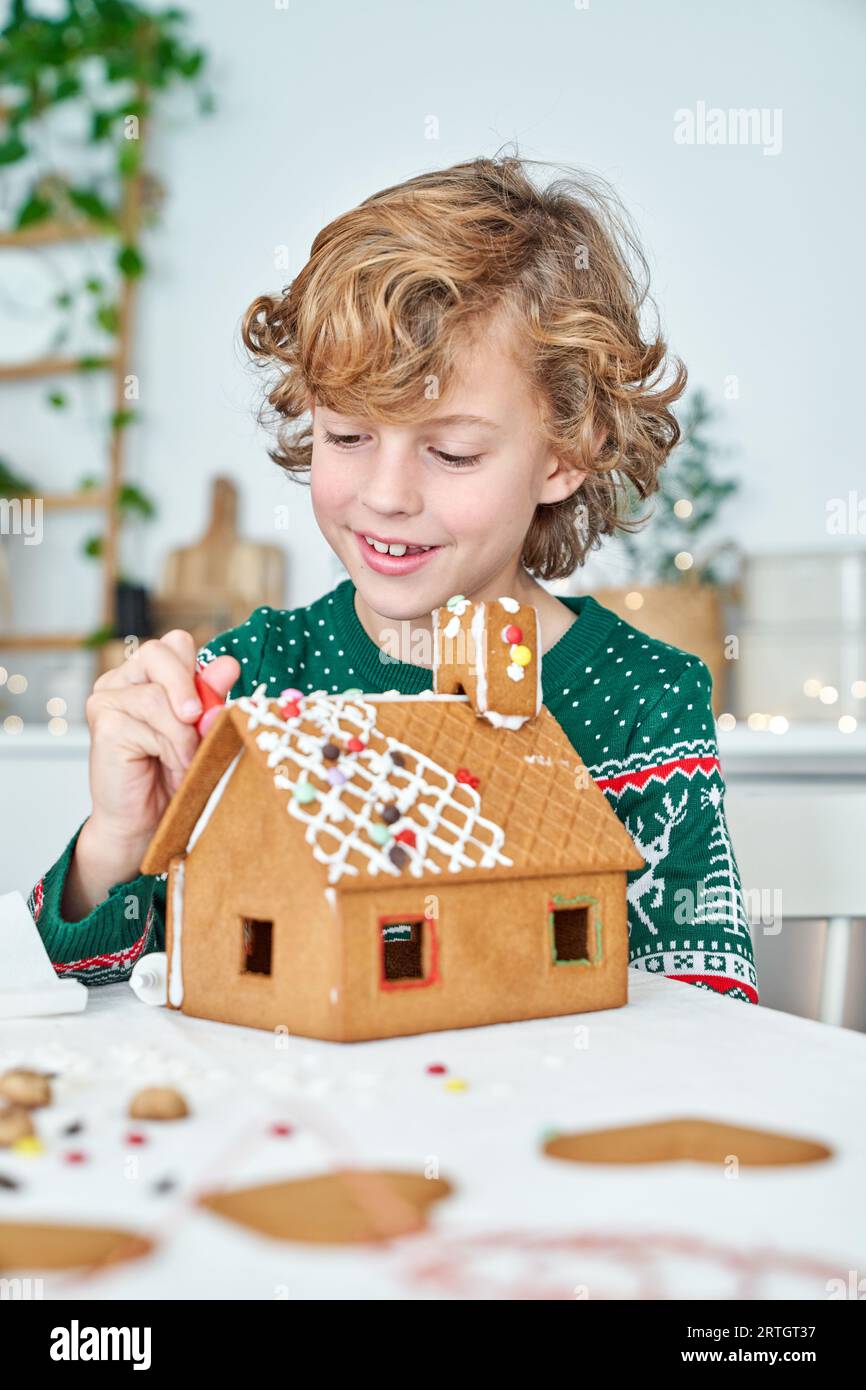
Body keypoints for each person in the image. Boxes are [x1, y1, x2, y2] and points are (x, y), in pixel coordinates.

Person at [29, 152, 758, 1003]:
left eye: (451, 451)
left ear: (566, 452)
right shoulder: (255, 685)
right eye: (348, 437)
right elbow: (78, 1000)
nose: (385, 496)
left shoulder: (644, 700)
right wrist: (117, 840)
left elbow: (714, 1022)